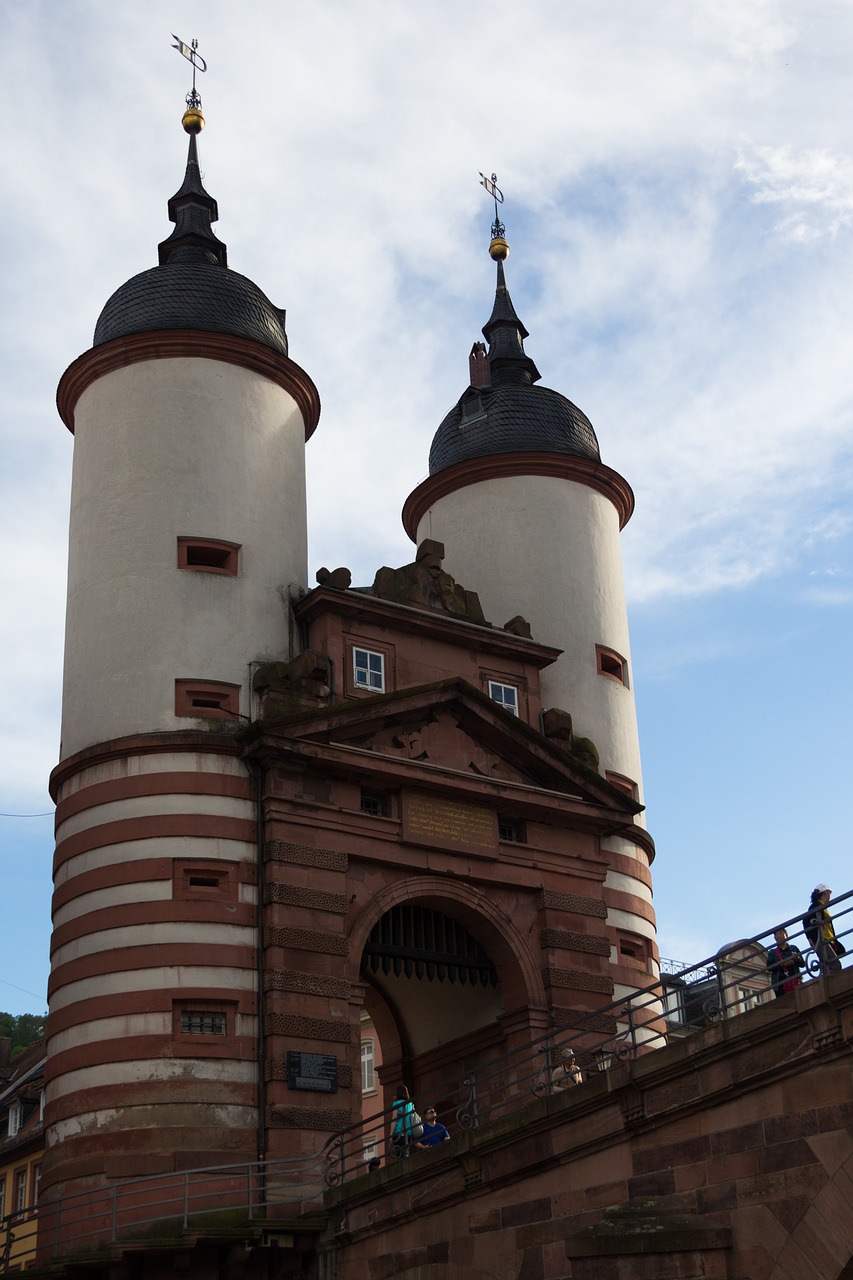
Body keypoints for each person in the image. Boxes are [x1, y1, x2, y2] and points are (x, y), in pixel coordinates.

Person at [803, 884, 846, 976]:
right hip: (822, 940)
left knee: (828, 964)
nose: (830, 895)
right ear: (825, 893)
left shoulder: (822, 906)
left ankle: (828, 983)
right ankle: (830, 986)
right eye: (829, 892)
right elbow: (806, 921)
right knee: (835, 964)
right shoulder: (816, 906)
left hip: (827, 939)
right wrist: (810, 939)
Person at [765, 927, 805, 997]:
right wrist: (782, 964)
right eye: (777, 934)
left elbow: (803, 964)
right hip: (779, 982)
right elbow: (769, 967)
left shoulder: (793, 948)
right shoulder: (773, 952)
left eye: (781, 933)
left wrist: (797, 958)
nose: (779, 936)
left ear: (786, 935)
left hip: (794, 979)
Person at [391, 1085, 420, 1157]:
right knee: (406, 1151)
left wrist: (390, 1135)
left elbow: (394, 1120)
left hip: (399, 1132)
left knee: (400, 1154)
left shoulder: (396, 1104)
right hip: (409, 1132)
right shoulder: (410, 1103)